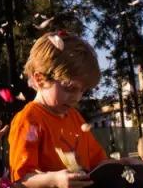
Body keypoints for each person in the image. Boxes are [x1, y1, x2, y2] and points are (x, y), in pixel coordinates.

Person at [7, 32, 108, 188]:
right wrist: (54, 181)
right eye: (70, 88)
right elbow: (21, 181)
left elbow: (99, 164)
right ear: (39, 79)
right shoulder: (29, 120)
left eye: (83, 90)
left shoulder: (75, 117)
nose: (77, 97)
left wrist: (123, 166)